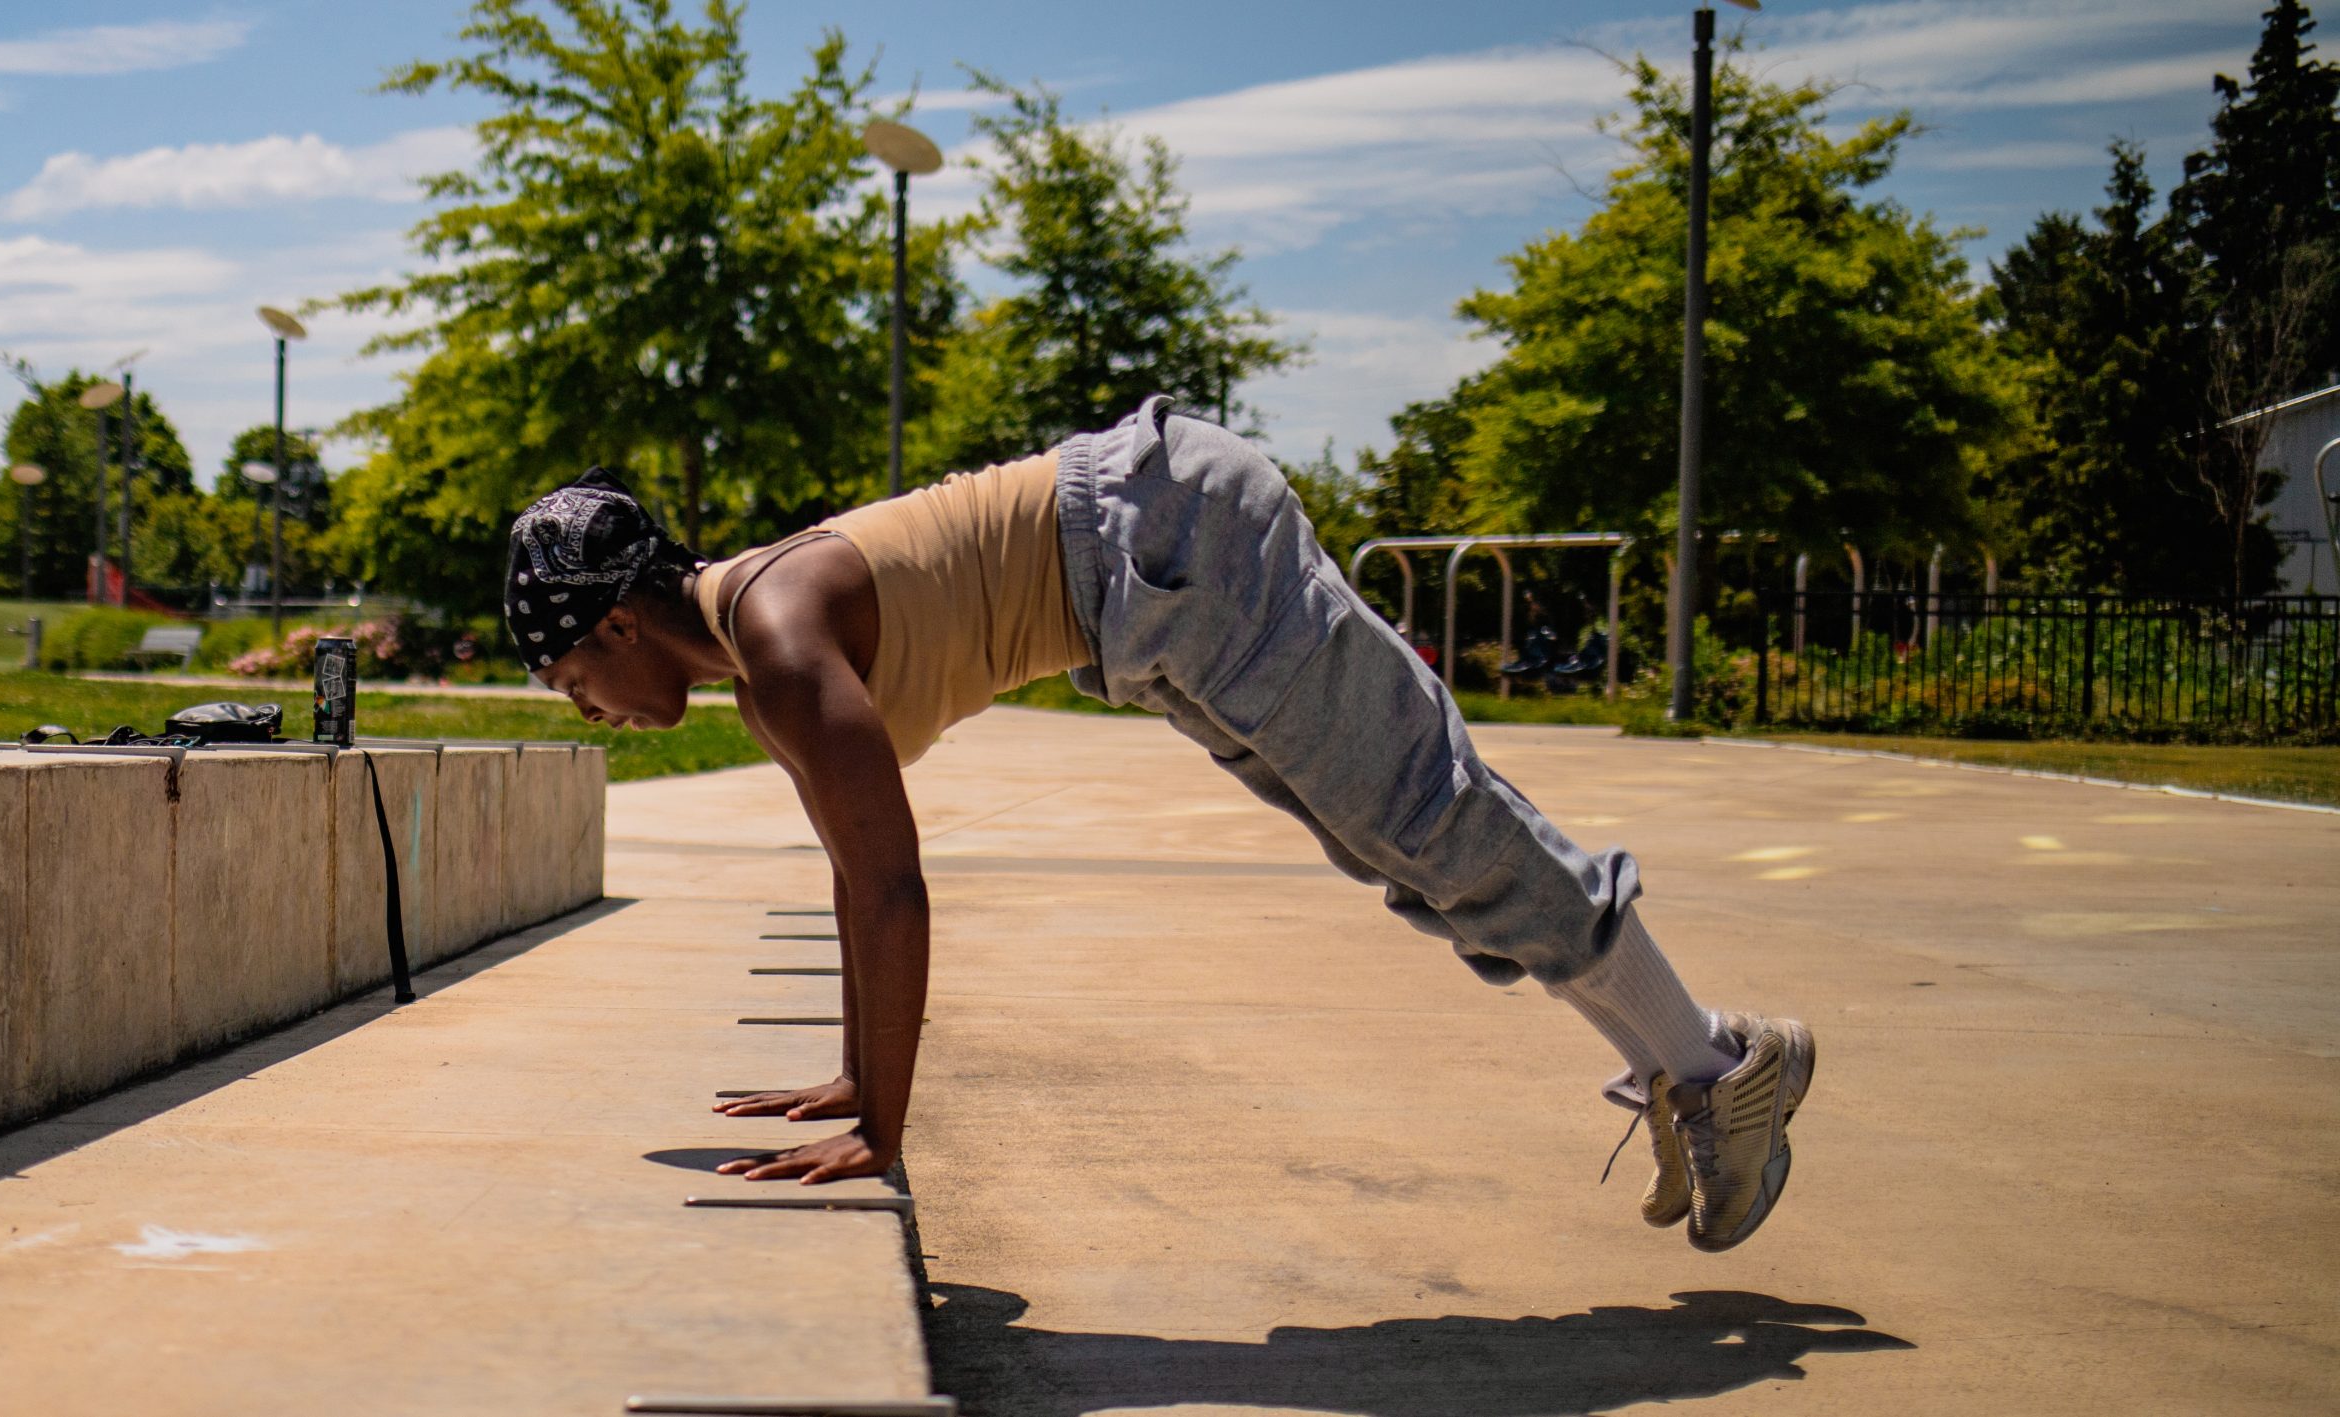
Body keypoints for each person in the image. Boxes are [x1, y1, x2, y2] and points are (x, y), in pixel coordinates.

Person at [506, 397, 1814, 1251]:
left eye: (575, 683)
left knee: (1431, 818)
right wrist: (856, 1075)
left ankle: (1715, 1074)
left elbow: (897, 890)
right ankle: (1702, 1064)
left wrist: (884, 1132)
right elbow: (858, 881)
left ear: (618, 623)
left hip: (1168, 539)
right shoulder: (758, 645)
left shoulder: (780, 648)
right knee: (1403, 846)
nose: (592, 710)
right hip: (1149, 587)